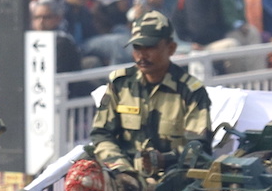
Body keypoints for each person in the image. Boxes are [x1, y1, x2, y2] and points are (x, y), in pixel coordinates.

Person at [85, 11, 212, 178]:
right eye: (137, 47)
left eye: (150, 47)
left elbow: (199, 147)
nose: (142, 55)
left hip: (171, 177)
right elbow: (101, 134)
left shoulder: (191, 91)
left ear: (171, 48)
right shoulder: (120, 84)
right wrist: (120, 166)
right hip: (123, 175)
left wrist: (164, 160)